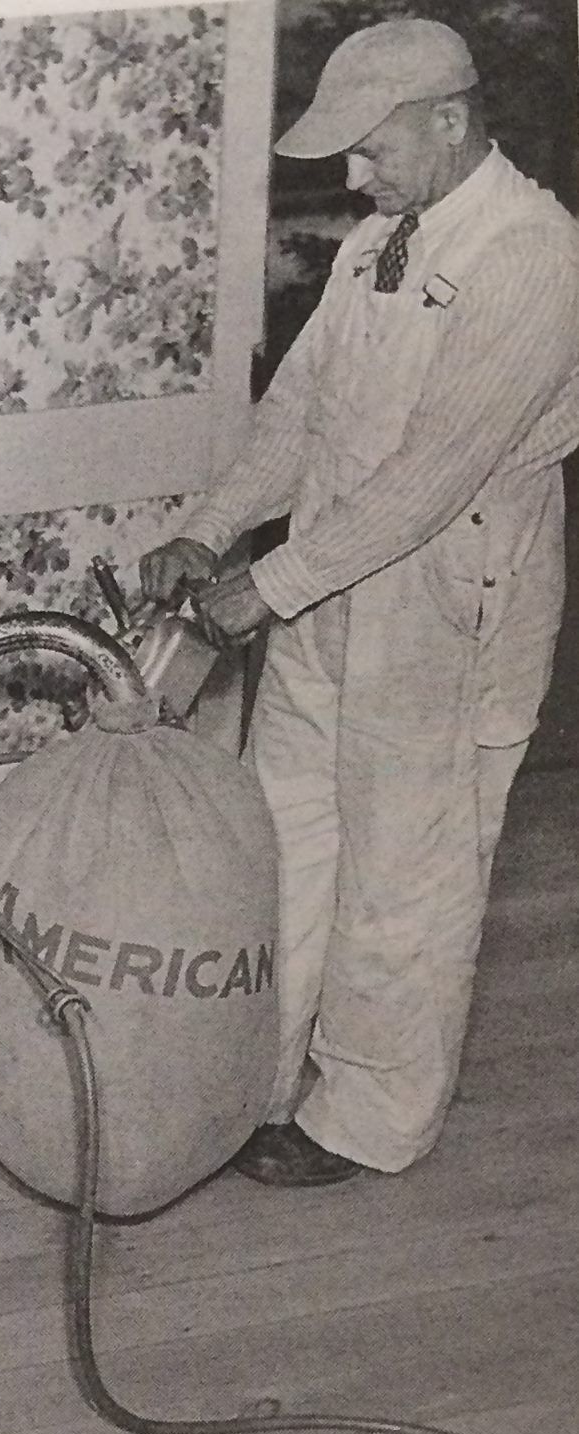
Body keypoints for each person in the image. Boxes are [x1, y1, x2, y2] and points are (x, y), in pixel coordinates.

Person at [141, 17, 579, 1187]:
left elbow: (435, 479)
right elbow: (299, 420)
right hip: (331, 597)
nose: (352, 175)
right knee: (287, 845)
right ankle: (261, 1084)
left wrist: (268, 583)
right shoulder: (376, 243)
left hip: (445, 613)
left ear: (450, 120)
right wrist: (207, 527)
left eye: (370, 149)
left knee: (406, 875)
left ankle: (369, 1122)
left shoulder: (533, 256)